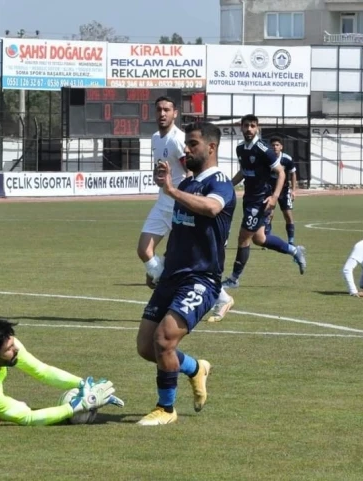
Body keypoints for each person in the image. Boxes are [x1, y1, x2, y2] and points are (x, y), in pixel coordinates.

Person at [135, 121, 236, 425]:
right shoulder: (188, 185)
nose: (187, 149)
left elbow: (212, 208)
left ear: (211, 147)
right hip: (172, 275)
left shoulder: (220, 182)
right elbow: (179, 232)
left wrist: (170, 190)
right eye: (186, 144)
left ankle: (166, 409)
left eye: (193, 144)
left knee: (165, 340)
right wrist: (158, 268)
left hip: (200, 279)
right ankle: (195, 367)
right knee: (146, 347)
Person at [221, 114, 306, 290]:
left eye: (252, 126)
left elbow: (281, 173)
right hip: (249, 198)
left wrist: (274, 197)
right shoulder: (240, 149)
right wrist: (227, 185)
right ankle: (294, 251)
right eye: (246, 126)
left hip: (260, 201)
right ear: (241, 127)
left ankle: (234, 279)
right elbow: (243, 172)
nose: (249, 129)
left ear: (257, 128)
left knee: (243, 237)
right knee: (260, 239)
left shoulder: (264, 149)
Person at [137, 96, 189, 288]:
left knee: (174, 260)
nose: (162, 113)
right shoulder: (155, 138)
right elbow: (159, 168)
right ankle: (162, 279)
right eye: (159, 109)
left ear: (175, 113)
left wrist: (185, 198)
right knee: (144, 250)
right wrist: (157, 177)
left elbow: (190, 172)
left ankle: (219, 296)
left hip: (179, 207)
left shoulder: (178, 139)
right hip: (162, 204)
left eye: (167, 110)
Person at [263, 135, 297, 245]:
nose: (275, 147)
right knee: (269, 214)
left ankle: (291, 241)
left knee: (288, 214)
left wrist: (293, 190)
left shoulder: (287, 159)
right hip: (269, 190)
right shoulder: (267, 158)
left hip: (284, 190)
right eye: (273, 145)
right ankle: (267, 239)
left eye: (277, 145)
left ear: (281, 147)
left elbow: (293, 173)